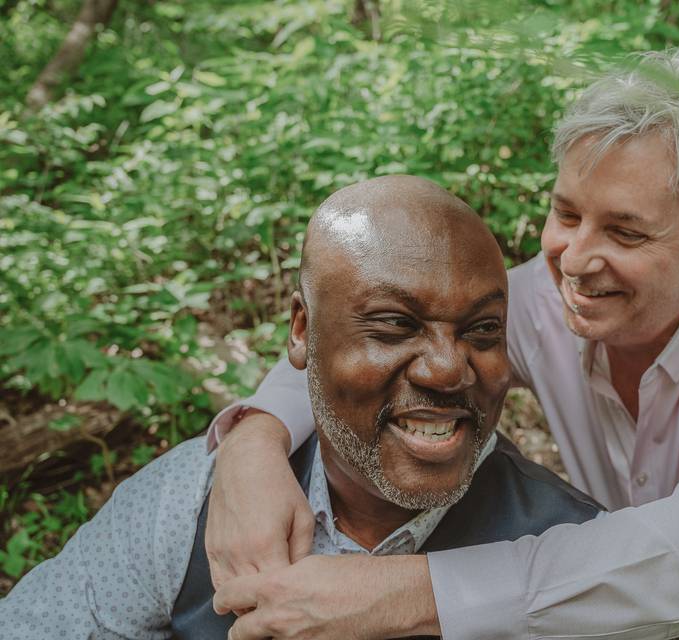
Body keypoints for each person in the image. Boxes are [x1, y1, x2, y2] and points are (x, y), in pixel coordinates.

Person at [205, 49, 679, 639]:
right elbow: (372, 346)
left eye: (625, 233)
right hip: (625, 608)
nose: (575, 258)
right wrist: (254, 442)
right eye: (566, 213)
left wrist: (405, 593)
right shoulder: (539, 298)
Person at [0, 176, 604, 640]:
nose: (448, 369)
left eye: (481, 330)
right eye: (395, 324)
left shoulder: (585, 558)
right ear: (302, 330)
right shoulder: (188, 504)